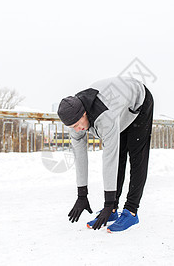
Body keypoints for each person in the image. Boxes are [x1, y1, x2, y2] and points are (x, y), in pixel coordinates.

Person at [57, 77, 154, 233]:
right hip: (119, 107)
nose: (77, 130)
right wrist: (82, 195)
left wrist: (107, 202)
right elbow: (80, 155)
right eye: (72, 127)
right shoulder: (73, 118)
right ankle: (113, 211)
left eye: (77, 125)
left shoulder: (105, 118)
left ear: (84, 114)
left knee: (137, 156)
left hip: (138, 103)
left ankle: (131, 211)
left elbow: (110, 157)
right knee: (120, 157)